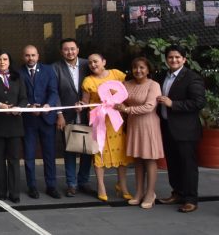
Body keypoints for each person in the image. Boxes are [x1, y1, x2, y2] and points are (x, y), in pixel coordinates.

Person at [156, 45, 206, 213]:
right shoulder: (162, 76)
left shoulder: (192, 78)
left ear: (184, 59)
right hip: (166, 127)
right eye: (170, 57)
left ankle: (191, 199)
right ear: (166, 59)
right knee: (173, 163)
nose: (174, 60)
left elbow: (198, 103)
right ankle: (177, 193)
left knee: (187, 165)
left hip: (185, 130)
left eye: (177, 57)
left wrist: (173, 104)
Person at [80, 53, 132, 202]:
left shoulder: (117, 74)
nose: (93, 65)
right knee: (99, 155)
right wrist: (80, 106)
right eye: (90, 63)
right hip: (99, 123)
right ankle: (101, 186)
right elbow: (85, 102)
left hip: (116, 122)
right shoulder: (88, 81)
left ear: (104, 61)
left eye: (95, 61)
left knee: (121, 156)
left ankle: (122, 186)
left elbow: (127, 93)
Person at [115, 57, 163, 209]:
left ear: (148, 70)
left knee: (149, 159)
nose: (138, 70)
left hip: (149, 125)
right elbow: (118, 100)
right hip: (133, 125)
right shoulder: (126, 84)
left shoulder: (153, 85)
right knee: (137, 159)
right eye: (135, 67)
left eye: (142, 67)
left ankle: (150, 194)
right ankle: (139, 193)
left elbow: (149, 106)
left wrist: (127, 110)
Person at [19, 45, 61, 199]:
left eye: (33, 55)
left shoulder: (48, 70)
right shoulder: (18, 72)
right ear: (23, 57)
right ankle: (32, 186)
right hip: (28, 120)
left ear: (38, 56)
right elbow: (18, 95)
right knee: (29, 155)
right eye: (27, 55)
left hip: (47, 118)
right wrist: (29, 106)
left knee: (49, 154)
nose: (30, 58)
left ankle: (51, 186)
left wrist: (48, 105)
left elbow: (53, 91)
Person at [0, 50, 27, 203]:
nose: (2, 62)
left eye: (5, 59)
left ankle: (14, 193)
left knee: (14, 159)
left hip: (15, 124)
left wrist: (19, 108)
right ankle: (1, 191)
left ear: (9, 62)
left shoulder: (18, 78)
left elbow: (23, 98)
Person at [53, 38, 93, 197]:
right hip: (67, 115)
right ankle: (71, 184)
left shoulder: (88, 64)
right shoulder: (55, 68)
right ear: (61, 51)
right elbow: (54, 92)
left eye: (72, 49)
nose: (70, 52)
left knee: (87, 149)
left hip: (87, 114)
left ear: (78, 49)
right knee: (69, 149)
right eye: (66, 49)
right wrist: (59, 114)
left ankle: (83, 181)